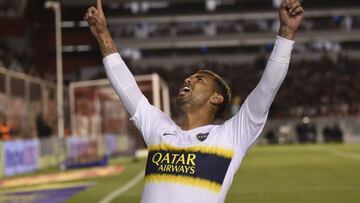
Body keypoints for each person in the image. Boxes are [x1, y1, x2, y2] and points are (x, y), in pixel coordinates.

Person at [84, 0, 304, 202]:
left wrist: (287, 32)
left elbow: (267, 87)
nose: (188, 78)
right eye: (191, 76)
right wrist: (103, 34)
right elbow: (127, 87)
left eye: (200, 79)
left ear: (216, 98)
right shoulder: (160, 129)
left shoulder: (231, 136)